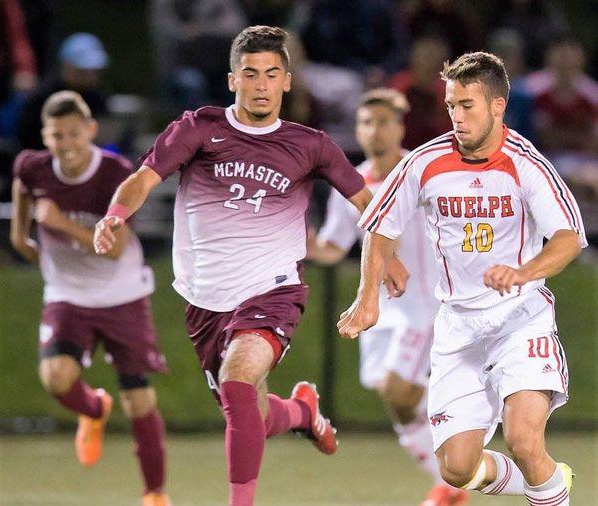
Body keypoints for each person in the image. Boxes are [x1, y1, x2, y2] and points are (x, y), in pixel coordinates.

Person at [93, 26, 374, 506]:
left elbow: (371, 206)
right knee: (250, 414)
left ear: (287, 80)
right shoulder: (199, 128)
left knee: (238, 380)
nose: (261, 84)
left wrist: (390, 261)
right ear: (231, 80)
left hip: (273, 289)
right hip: (206, 298)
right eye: (250, 74)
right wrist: (115, 215)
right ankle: (303, 413)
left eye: (271, 74)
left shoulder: (312, 145)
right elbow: (142, 178)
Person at [338, 52, 586, 506]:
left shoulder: (526, 162)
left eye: (467, 105)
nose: (457, 116)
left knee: (523, 440)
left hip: (520, 318)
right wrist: (367, 298)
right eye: (451, 105)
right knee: (457, 469)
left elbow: (569, 238)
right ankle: (550, 480)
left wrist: (524, 271)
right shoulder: (426, 161)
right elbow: (380, 225)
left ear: (497, 106)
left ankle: (543, 481)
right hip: (456, 326)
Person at [308, 88, 468, 506]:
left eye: (383, 121)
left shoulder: (423, 173)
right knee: (393, 399)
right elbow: (332, 248)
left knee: (400, 391)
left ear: (400, 127)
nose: (374, 130)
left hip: (427, 308)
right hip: (381, 311)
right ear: (357, 130)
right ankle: (449, 483)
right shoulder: (353, 186)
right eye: (366, 122)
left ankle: (469, 430)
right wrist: (300, 239)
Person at [10, 91, 170, 506]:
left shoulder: (115, 173)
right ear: (45, 136)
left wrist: (59, 224)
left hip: (122, 294)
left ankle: (154, 493)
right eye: (57, 135)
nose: (66, 143)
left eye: (74, 133)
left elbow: (113, 248)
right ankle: (94, 408)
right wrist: (20, 232)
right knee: (55, 378)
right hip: (68, 294)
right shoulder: (33, 166)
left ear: (91, 131)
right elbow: (23, 184)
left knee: (138, 398)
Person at [16, 32, 110, 150]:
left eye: (94, 71)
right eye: (82, 70)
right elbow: (26, 139)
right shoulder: (41, 97)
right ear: (66, 65)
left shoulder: (98, 98)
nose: (90, 76)